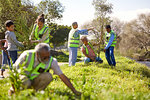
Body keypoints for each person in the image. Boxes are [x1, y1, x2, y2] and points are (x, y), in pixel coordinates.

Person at [8, 43, 81, 96]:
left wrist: (74, 90)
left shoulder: (52, 61)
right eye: (44, 57)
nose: (46, 59)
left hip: (35, 80)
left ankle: (37, 94)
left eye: (48, 56)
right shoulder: (26, 55)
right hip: (24, 79)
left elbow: (62, 76)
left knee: (48, 76)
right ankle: (14, 91)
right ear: (37, 54)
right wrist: (14, 87)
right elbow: (14, 71)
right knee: (26, 82)